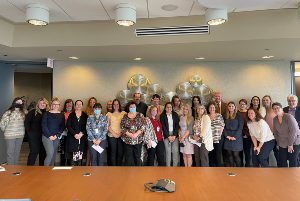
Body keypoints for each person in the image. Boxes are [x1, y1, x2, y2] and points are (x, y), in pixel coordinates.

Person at [272, 102, 300, 167]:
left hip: (294, 142)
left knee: (292, 161)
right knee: (282, 161)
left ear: (281, 108)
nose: (276, 110)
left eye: (277, 108)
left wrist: (290, 144)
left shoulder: (289, 117)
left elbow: (293, 131)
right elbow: (275, 132)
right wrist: (278, 143)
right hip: (282, 142)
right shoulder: (275, 119)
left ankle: (294, 176)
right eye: (274, 109)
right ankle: (284, 176)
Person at [0, 97, 27, 165]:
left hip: (20, 135)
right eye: (17, 102)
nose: (19, 104)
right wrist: (8, 131)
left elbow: (26, 122)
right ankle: (10, 171)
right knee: (10, 153)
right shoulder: (8, 112)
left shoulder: (24, 112)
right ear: (14, 102)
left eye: (21, 103)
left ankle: (15, 169)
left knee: (17, 153)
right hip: (10, 135)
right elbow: (2, 124)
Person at [25, 97, 49, 166]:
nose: (42, 104)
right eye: (41, 103)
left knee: (43, 153)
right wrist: (29, 133)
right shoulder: (33, 112)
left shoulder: (48, 112)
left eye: (44, 103)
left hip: (45, 136)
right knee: (34, 152)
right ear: (38, 104)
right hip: (34, 136)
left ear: (46, 104)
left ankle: (41, 170)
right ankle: (29, 168)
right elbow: (26, 123)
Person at [41, 97, 65, 166]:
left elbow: (62, 126)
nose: (56, 106)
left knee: (53, 154)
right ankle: (45, 171)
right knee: (50, 153)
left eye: (57, 104)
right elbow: (44, 125)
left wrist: (57, 135)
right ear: (51, 104)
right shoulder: (46, 113)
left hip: (56, 137)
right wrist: (49, 136)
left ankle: (51, 171)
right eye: (54, 104)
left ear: (59, 105)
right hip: (47, 137)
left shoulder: (61, 114)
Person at [121, 101, 145, 166]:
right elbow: (122, 127)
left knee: (137, 157)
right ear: (128, 108)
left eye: (134, 107)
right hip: (127, 140)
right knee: (128, 158)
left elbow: (143, 126)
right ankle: (128, 174)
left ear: (136, 107)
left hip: (138, 140)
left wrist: (136, 134)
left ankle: (138, 174)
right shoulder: (125, 116)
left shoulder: (140, 115)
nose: (132, 108)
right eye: (131, 107)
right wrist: (130, 134)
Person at [66, 100, 88, 166]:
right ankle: (72, 172)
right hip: (72, 138)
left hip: (81, 138)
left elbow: (87, 126)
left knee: (79, 157)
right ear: (75, 106)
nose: (78, 106)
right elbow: (68, 125)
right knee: (72, 158)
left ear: (82, 105)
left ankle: (78, 171)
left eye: (80, 104)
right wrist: (74, 134)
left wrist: (81, 134)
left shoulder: (85, 115)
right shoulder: (71, 114)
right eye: (77, 104)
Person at [106, 99, 126, 166]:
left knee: (120, 153)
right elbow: (107, 126)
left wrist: (120, 134)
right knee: (113, 152)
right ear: (112, 105)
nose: (116, 105)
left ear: (119, 105)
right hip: (112, 135)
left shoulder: (123, 113)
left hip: (121, 135)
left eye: (117, 104)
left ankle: (119, 168)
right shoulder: (109, 114)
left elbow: (126, 125)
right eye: (114, 104)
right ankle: (113, 169)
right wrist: (114, 134)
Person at [223, 101, 244, 167]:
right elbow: (223, 127)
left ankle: (239, 170)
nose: (231, 107)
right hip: (228, 137)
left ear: (235, 107)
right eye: (229, 106)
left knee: (235, 154)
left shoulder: (239, 115)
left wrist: (235, 137)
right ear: (227, 107)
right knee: (229, 154)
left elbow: (240, 127)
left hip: (237, 137)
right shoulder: (225, 115)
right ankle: (232, 169)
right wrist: (227, 136)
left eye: (232, 106)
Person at [160, 102, 180, 166]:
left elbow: (177, 126)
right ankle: (168, 167)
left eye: (170, 107)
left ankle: (175, 167)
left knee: (175, 151)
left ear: (172, 108)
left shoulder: (175, 115)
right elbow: (163, 126)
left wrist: (174, 135)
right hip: (166, 135)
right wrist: (168, 136)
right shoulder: (162, 116)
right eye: (167, 107)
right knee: (168, 151)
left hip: (174, 135)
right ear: (165, 108)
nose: (169, 108)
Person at [207, 102, 225, 167]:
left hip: (218, 138)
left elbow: (222, 125)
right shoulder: (206, 116)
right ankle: (211, 170)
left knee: (218, 154)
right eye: (210, 107)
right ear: (208, 109)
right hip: (209, 139)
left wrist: (219, 135)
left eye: (213, 107)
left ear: (215, 108)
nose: (212, 109)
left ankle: (218, 169)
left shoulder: (219, 115)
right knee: (211, 154)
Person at [61, 99, 74, 165]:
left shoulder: (74, 113)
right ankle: (62, 164)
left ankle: (69, 164)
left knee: (70, 150)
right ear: (65, 104)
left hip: (71, 134)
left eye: (70, 103)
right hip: (63, 134)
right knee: (63, 150)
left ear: (72, 105)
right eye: (67, 103)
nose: (69, 105)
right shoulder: (62, 113)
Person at [238, 99, 251, 167]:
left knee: (247, 152)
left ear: (246, 105)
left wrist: (246, 134)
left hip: (247, 136)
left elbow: (251, 125)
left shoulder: (249, 112)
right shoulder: (237, 112)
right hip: (238, 136)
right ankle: (240, 166)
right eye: (241, 104)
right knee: (240, 152)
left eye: (244, 104)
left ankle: (247, 166)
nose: (242, 105)